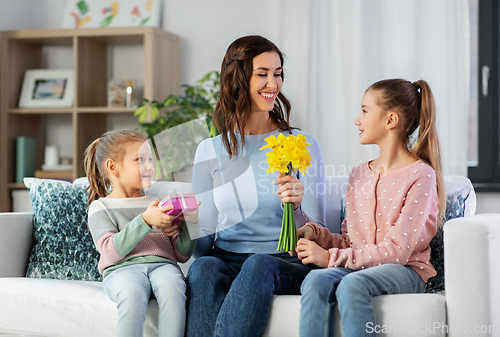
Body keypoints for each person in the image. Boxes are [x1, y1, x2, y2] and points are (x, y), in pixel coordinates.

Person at [186, 35, 326, 337]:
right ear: (238, 79)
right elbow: (201, 249)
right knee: (203, 269)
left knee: (259, 265)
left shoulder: (302, 145)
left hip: (283, 262)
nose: (272, 84)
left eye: (277, 74)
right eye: (262, 74)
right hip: (227, 258)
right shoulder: (209, 150)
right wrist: (185, 226)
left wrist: (299, 206)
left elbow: (321, 235)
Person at [296, 79, 446, 336]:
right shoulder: (358, 175)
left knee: (351, 286)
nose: (357, 120)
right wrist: (317, 236)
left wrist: (329, 259)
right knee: (315, 280)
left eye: (365, 111)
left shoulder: (421, 175)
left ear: (390, 120)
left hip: (405, 270)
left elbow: (397, 252)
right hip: (360, 266)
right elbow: (351, 244)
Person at [84, 129, 199, 337]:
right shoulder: (100, 207)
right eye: (140, 160)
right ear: (113, 167)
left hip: (164, 265)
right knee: (132, 294)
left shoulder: (158, 202)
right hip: (122, 270)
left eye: (150, 160)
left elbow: (181, 255)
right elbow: (110, 252)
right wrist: (145, 220)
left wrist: (190, 224)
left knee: (174, 289)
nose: (149, 167)